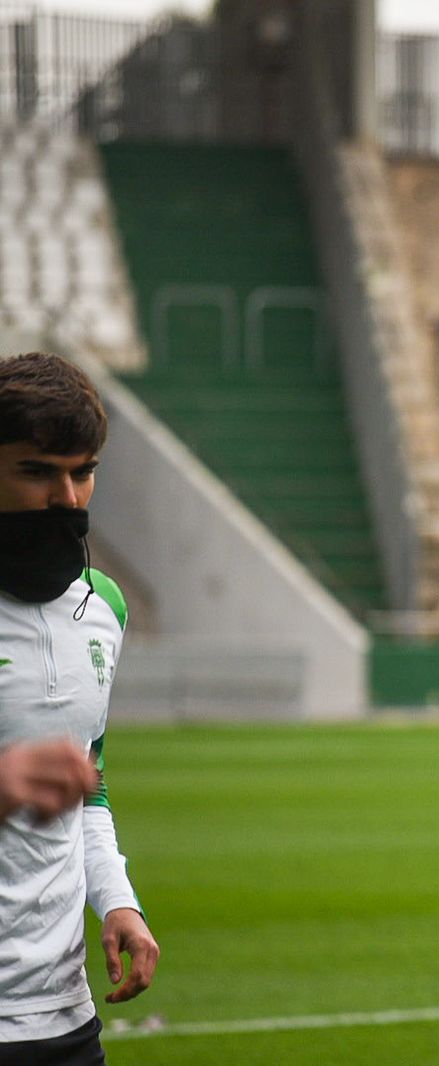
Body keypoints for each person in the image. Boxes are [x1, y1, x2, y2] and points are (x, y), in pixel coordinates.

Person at [0, 352, 160, 1064]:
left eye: (82, 471)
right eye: (37, 471)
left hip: (64, 1018)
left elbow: (89, 790)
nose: (67, 498)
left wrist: (117, 901)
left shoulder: (104, 609)